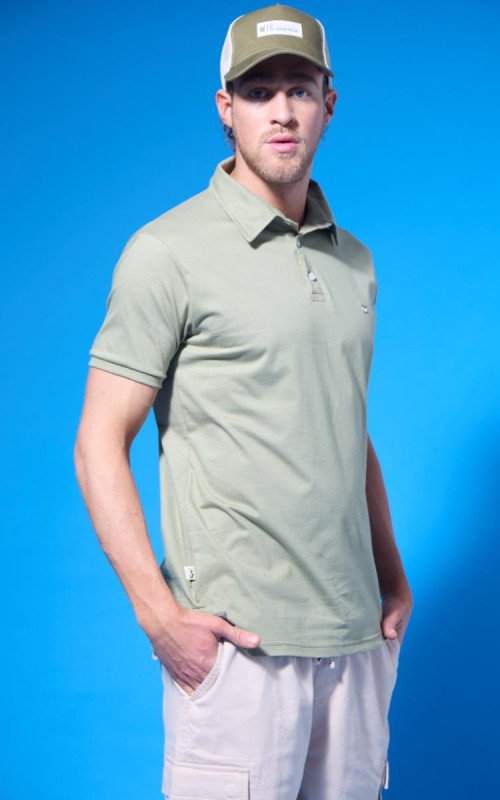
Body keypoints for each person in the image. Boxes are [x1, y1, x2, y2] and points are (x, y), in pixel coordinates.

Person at [74, 4, 413, 798]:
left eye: (300, 89)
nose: (282, 111)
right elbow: (98, 443)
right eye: (259, 93)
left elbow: (344, 426)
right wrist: (160, 619)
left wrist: (391, 575)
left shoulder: (355, 264)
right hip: (240, 650)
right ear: (226, 109)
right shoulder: (167, 253)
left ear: (329, 103)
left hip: (357, 643)